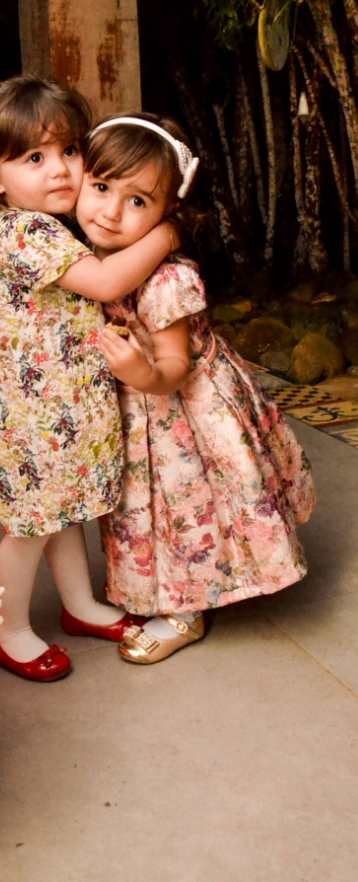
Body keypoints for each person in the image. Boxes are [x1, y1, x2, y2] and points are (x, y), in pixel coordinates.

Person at [0, 75, 179, 681]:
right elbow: (105, 283)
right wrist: (166, 233)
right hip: (24, 416)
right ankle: (10, 632)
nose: (59, 170)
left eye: (69, 151)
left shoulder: (46, 228)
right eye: (33, 158)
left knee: (61, 513)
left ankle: (79, 606)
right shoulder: (25, 232)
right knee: (29, 529)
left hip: (49, 411)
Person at [77, 112, 315, 665]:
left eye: (138, 200)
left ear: (169, 213)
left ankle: (185, 610)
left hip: (182, 409)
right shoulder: (87, 257)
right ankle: (159, 588)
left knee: (187, 502)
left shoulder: (167, 278)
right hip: (139, 407)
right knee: (144, 505)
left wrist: (140, 373)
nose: (111, 211)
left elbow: (173, 365)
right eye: (102, 187)